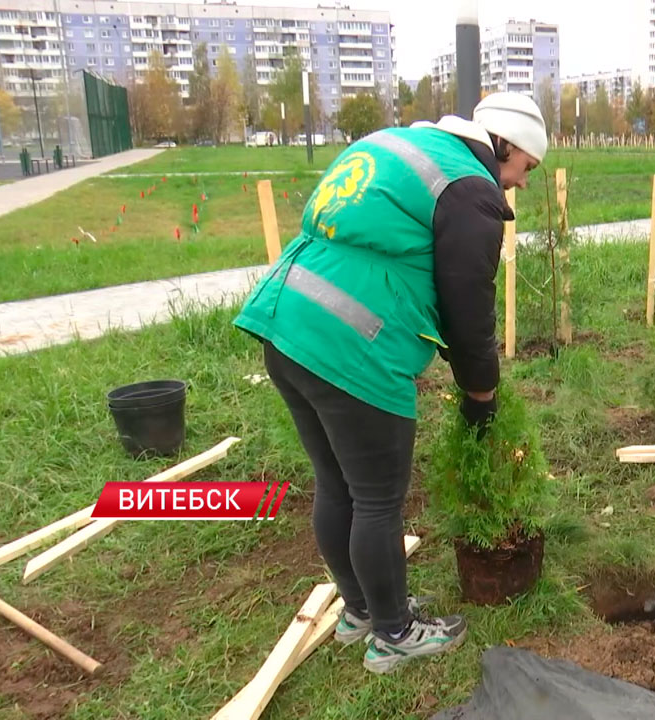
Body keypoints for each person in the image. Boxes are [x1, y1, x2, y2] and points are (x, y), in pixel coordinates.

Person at [232, 93, 547, 674]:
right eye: (526, 168)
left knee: (337, 484)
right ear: (505, 143)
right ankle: (395, 633)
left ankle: (360, 612)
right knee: (377, 499)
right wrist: (483, 397)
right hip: (352, 344)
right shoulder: (470, 190)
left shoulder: (406, 144)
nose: (520, 184)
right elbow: (468, 315)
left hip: (284, 322)